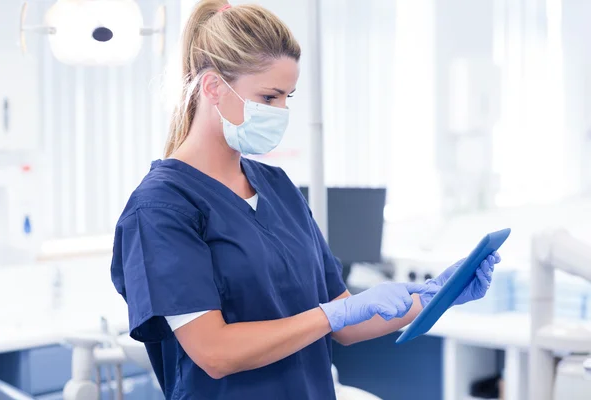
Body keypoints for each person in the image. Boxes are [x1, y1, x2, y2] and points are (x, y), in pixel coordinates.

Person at [110, 1, 501, 399]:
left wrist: (436, 297)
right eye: (268, 97)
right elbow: (215, 352)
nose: (281, 111)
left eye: (288, 97)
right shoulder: (162, 207)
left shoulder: (277, 188)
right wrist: (329, 315)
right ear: (213, 88)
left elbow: (346, 323)